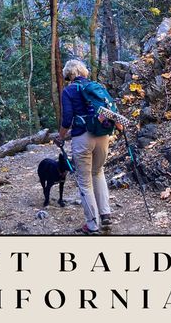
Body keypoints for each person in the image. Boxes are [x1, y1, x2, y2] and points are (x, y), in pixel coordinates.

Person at [55, 58, 121, 235]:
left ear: (68, 75)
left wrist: (60, 137)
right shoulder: (95, 87)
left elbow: (67, 119)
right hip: (102, 134)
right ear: (83, 71)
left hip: (82, 138)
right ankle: (105, 214)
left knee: (85, 182)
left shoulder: (69, 91)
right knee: (98, 172)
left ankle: (92, 225)